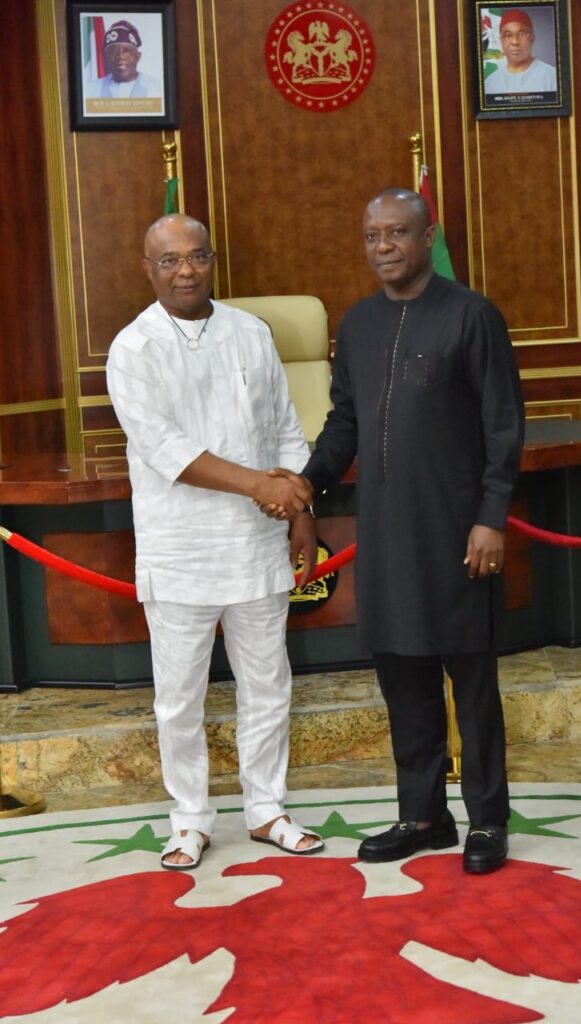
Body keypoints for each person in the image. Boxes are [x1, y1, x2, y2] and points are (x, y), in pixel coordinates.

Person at [265, 189, 524, 874]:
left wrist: (489, 517)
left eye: (397, 234)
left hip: (457, 532)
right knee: (401, 675)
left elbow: (503, 428)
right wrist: (304, 485)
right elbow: (344, 423)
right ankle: (422, 814)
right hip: (384, 536)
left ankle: (487, 819)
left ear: (426, 236)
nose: (382, 246)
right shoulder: (357, 326)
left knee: (469, 682)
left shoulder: (472, 317)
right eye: (372, 235)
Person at [106, 213, 321, 869]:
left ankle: (266, 810)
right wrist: (262, 485)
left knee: (267, 683)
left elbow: (285, 429)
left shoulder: (250, 333)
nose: (186, 271)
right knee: (179, 698)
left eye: (196, 256)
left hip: (257, 543)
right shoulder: (133, 349)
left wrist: (300, 514)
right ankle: (190, 819)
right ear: (148, 270)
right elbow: (169, 452)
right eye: (169, 261)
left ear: (212, 260)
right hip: (181, 550)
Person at [484, 8, 557, 95]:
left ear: (532, 38)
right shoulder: (490, 82)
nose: (515, 42)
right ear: (501, 40)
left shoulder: (553, 77)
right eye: (508, 35)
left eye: (522, 34)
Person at [85, 20, 163, 99]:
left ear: (138, 56)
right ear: (105, 57)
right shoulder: (90, 90)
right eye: (113, 51)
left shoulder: (157, 88)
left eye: (126, 51)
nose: (120, 56)